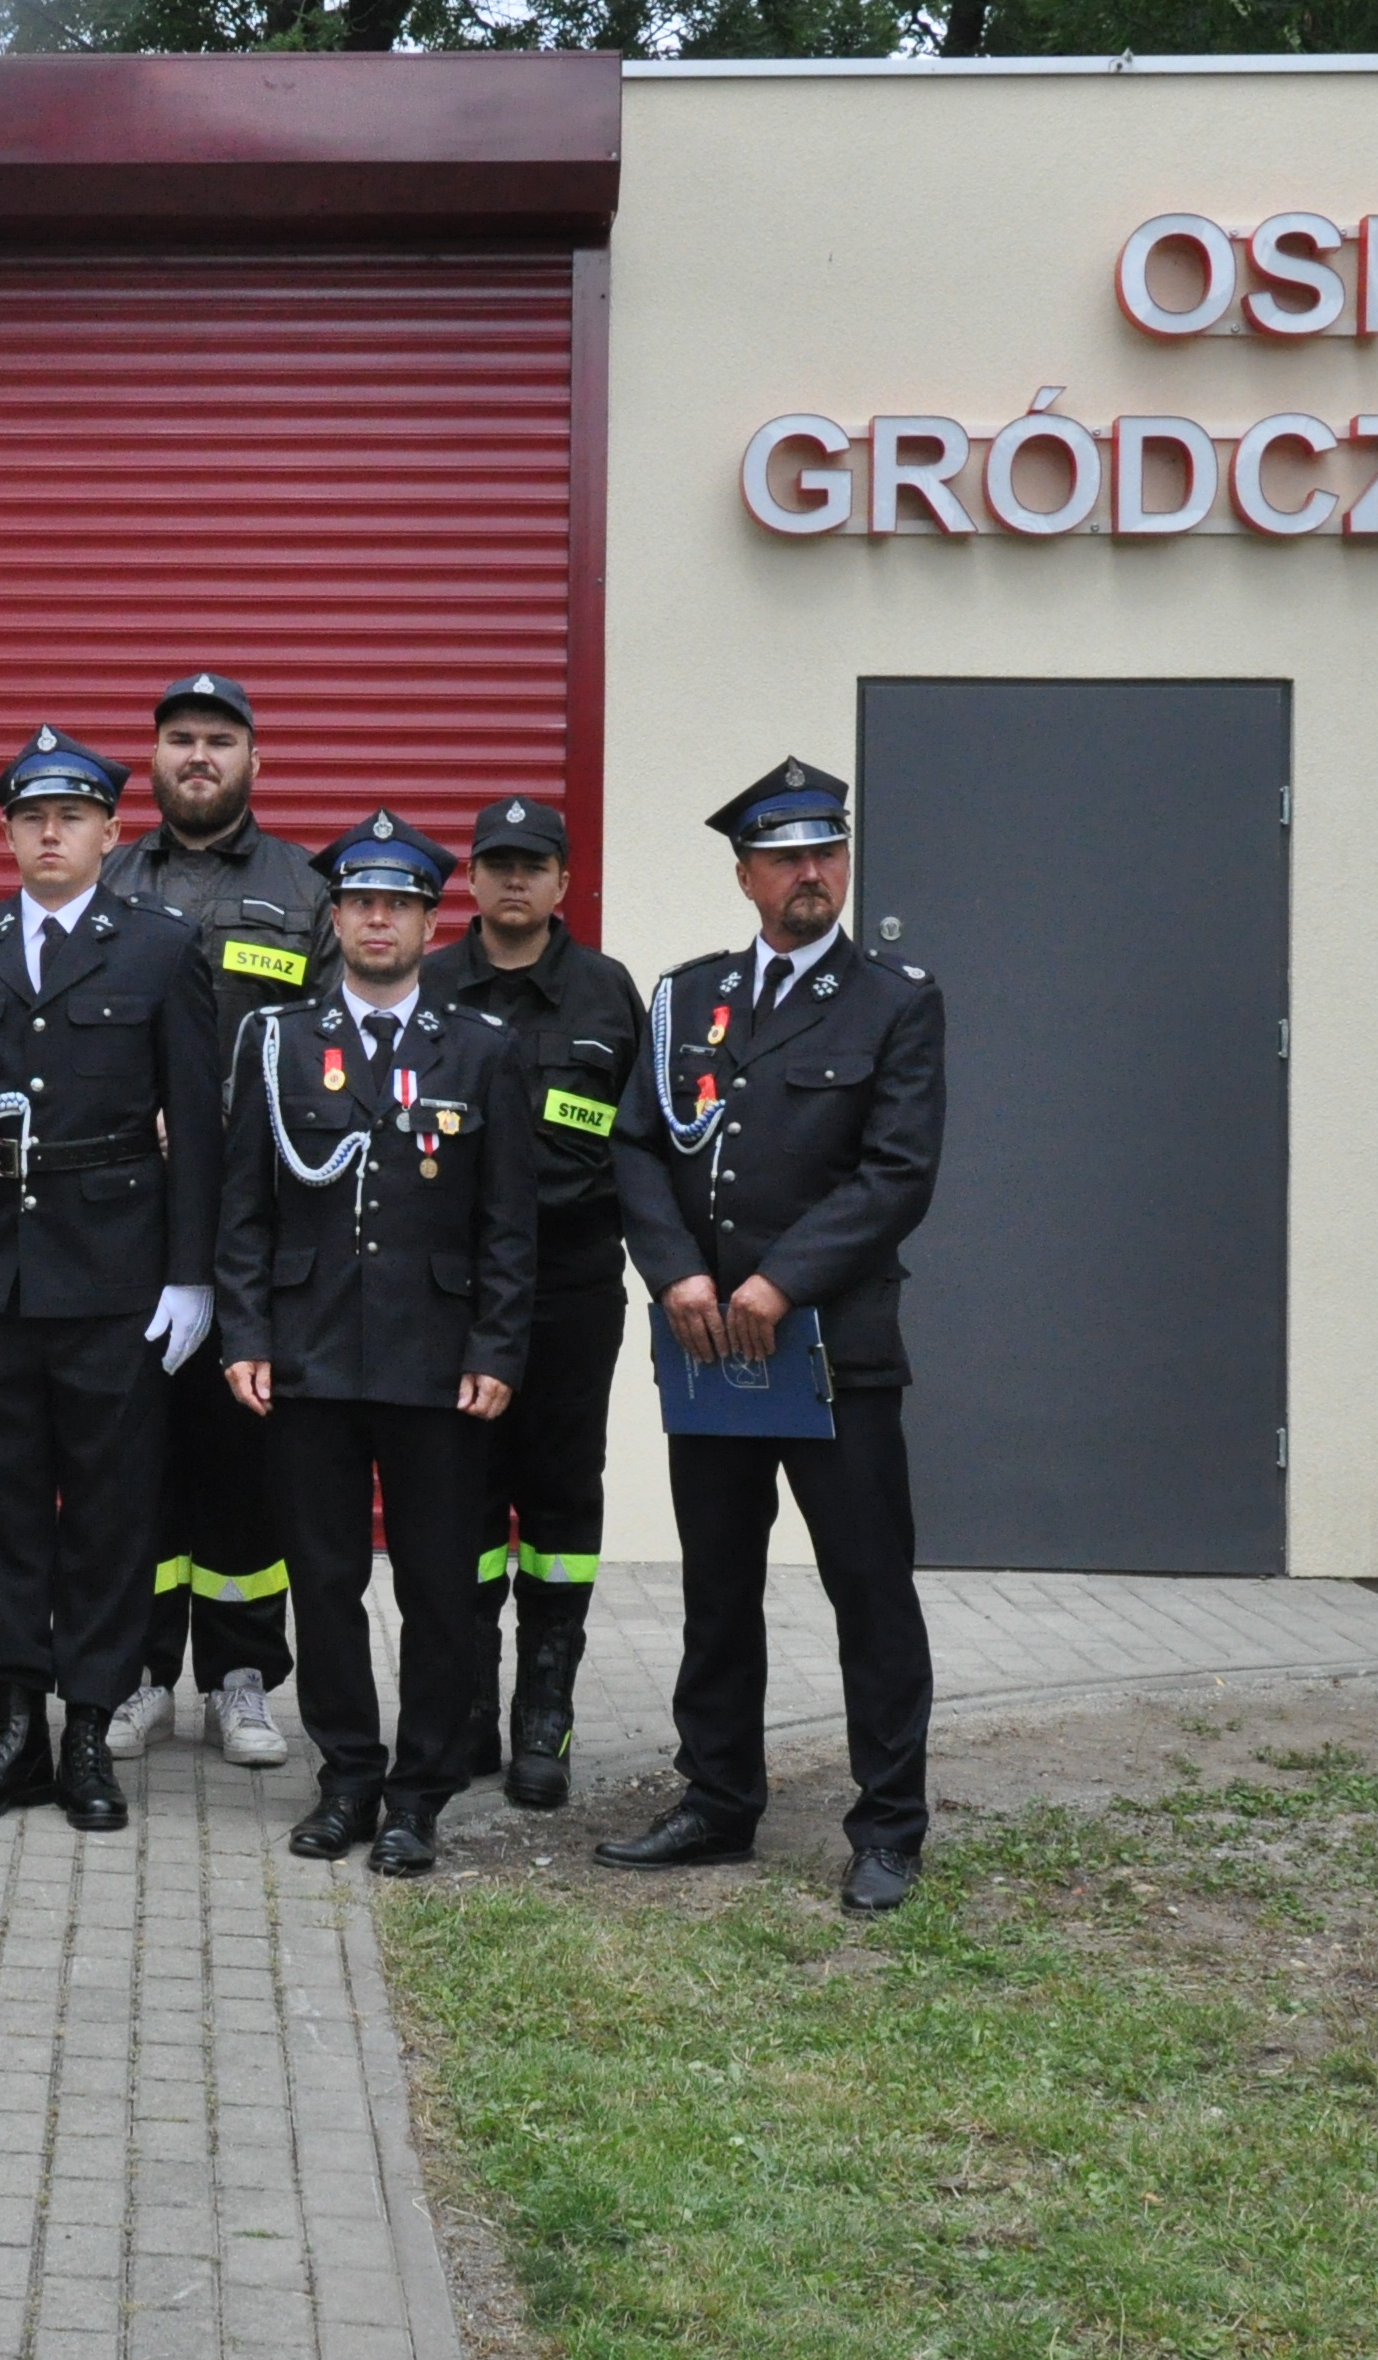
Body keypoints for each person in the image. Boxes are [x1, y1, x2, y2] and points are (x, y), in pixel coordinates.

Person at [598, 758, 948, 1915]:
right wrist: (680, 1272)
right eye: (788, 857)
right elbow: (637, 1146)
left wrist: (779, 1281)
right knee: (716, 1584)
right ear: (746, 873)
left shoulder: (896, 999)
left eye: (828, 853)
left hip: (831, 1353)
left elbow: (896, 1174)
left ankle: (888, 1824)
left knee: (869, 1589)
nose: (813, 875)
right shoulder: (684, 998)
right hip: (710, 1351)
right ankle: (716, 1800)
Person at [0, 726, 220, 1833]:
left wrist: (191, 1276)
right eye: (30, 816)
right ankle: (14, 1727)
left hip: (116, 1277)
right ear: (6, 831)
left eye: (70, 816)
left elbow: (198, 1121)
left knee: (110, 1514)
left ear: (107, 831)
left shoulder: (160, 948)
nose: (49, 832)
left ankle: (88, 1730)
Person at [218, 814, 536, 1874]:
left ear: (426, 917)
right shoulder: (276, 1042)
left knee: (442, 1586)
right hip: (306, 1355)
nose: (376, 919)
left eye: (396, 903)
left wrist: (496, 1349)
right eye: (359, 902)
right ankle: (348, 1773)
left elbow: (507, 1223)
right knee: (323, 1578)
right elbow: (244, 1209)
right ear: (336, 916)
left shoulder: (482, 1048)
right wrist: (245, 1333)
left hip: (438, 1364)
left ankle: (418, 1792)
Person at [95, 671, 330, 1771]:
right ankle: (137, 1671)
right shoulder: (108, 874)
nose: (199, 757)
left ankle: (242, 1677)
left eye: (219, 741)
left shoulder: (303, 888)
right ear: (152, 759)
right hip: (126, 1224)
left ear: (253, 762)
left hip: (252, 1222)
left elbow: (335, 1052)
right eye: (180, 739)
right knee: (131, 1456)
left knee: (245, 1456)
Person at [425, 792, 644, 1808]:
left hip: (567, 1289)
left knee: (557, 1501)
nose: (514, 880)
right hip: (450, 1296)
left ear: (562, 882)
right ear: (471, 875)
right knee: (459, 1499)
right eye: (497, 862)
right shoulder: (425, 987)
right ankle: (463, 1709)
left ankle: (542, 1715)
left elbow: (644, 1148)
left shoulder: (605, 995)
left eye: (534, 864)